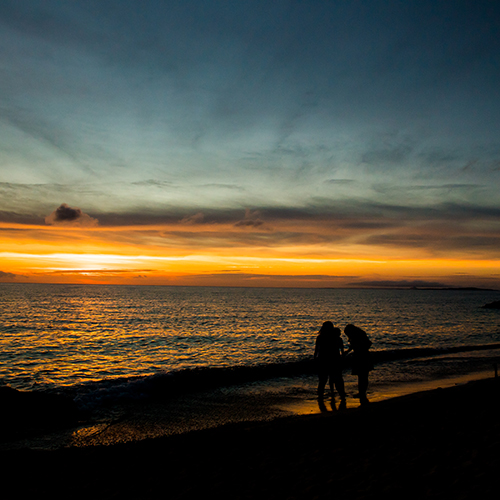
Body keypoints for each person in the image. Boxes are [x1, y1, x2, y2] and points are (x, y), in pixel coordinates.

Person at [314, 321, 346, 401]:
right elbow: (342, 351)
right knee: (337, 379)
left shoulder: (320, 337)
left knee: (322, 380)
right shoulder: (337, 338)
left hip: (323, 360)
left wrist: (315, 360)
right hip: (335, 360)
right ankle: (342, 395)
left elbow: (316, 350)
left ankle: (320, 397)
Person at [344, 324, 373, 403]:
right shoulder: (360, 334)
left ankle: (362, 392)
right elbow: (353, 346)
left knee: (362, 375)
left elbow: (367, 344)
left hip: (361, 356)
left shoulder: (358, 336)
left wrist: (359, 350)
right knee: (363, 375)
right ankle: (362, 392)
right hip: (362, 356)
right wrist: (348, 351)